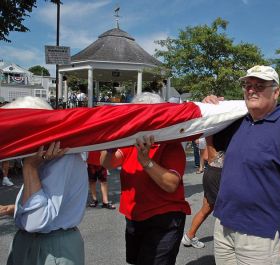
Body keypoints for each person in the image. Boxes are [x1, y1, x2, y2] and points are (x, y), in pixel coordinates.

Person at [204, 65, 280, 264]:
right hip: (224, 225)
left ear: (276, 92)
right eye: (247, 85)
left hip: (261, 233)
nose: (251, 90)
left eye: (259, 85)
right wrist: (209, 107)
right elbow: (209, 137)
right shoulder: (237, 121)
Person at [100, 92, 191, 265]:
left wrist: (146, 162)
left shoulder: (170, 144)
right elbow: (107, 163)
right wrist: (110, 146)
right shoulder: (132, 142)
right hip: (135, 216)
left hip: (164, 219)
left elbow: (171, 184)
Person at [3, 96, 88, 265]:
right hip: (34, 243)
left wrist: (30, 168)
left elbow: (37, 221)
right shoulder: (39, 155)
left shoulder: (63, 156)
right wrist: (10, 209)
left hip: (50, 248)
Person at [182, 118, 243, 249]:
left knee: (207, 207)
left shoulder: (210, 134)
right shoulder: (231, 138)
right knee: (224, 209)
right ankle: (228, 244)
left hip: (210, 171)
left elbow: (204, 156)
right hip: (219, 174)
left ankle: (189, 236)